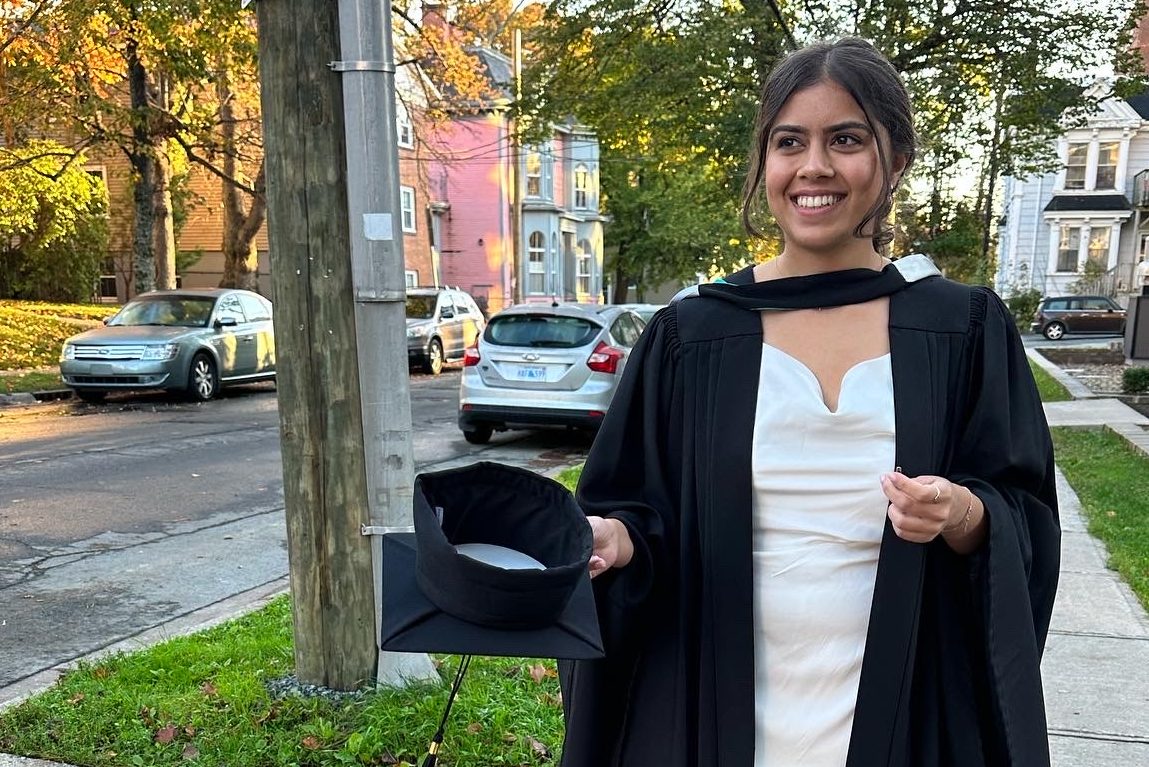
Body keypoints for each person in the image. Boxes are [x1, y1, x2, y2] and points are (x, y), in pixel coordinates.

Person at [558, 37, 1059, 767]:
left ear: (895, 160)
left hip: (906, 706)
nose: (813, 166)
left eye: (846, 139)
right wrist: (616, 539)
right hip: (710, 705)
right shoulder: (690, 336)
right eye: (788, 141)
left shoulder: (961, 328)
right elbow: (638, 511)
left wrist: (963, 512)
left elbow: (1023, 513)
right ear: (765, 161)